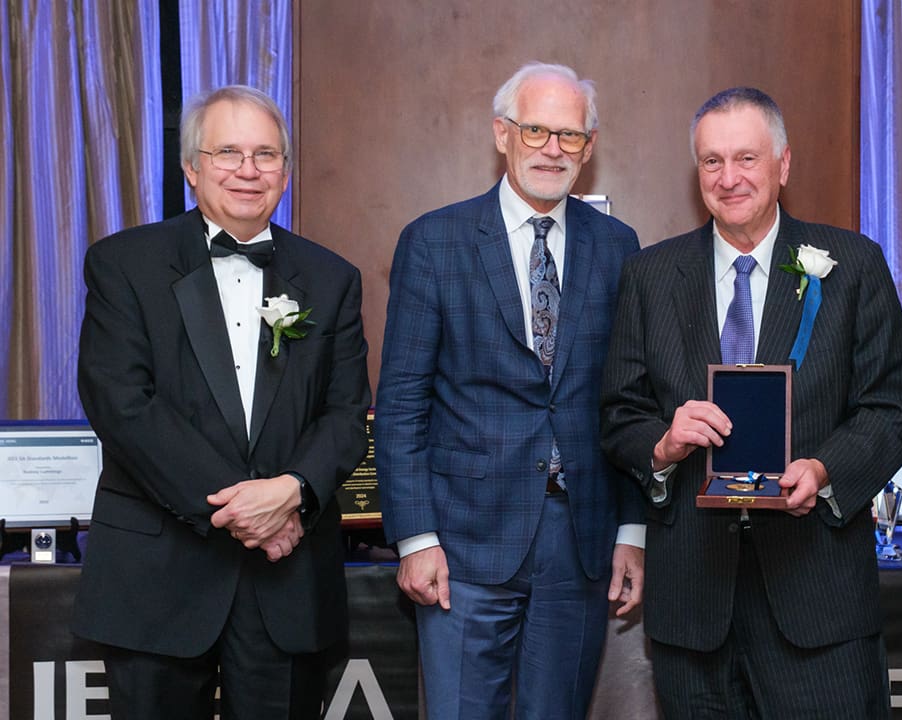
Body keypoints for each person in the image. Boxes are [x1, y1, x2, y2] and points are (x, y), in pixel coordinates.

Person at [600, 87, 902, 719]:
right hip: (694, 604)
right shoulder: (651, 275)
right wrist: (662, 444)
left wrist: (826, 469)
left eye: (746, 158)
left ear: (783, 165)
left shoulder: (852, 264)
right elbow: (619, 414)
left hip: (818, 596)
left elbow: (893, 407)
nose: (729, 177)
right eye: (712, 161)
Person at [73, 84, 371, 718]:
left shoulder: (332, 278)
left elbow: (346, 415)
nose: (247, 170)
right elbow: (123, 405)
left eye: (266, 155)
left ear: (285, 172)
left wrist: (292, 489)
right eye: (227, 152)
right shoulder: (124, 263)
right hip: (158, 576)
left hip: (286, 583)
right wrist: (249, 509)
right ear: (191, 167)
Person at [376, 62, 646, 720]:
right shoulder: (434, 241)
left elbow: (632, 400)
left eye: (570, 135)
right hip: (462, 545)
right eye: (535, 131)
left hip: (578, 543)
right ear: (502, 134)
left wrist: (632, 529)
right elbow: (402, 407)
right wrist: (414, 538)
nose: (553, 149)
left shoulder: (619, 247)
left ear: (590, 146)